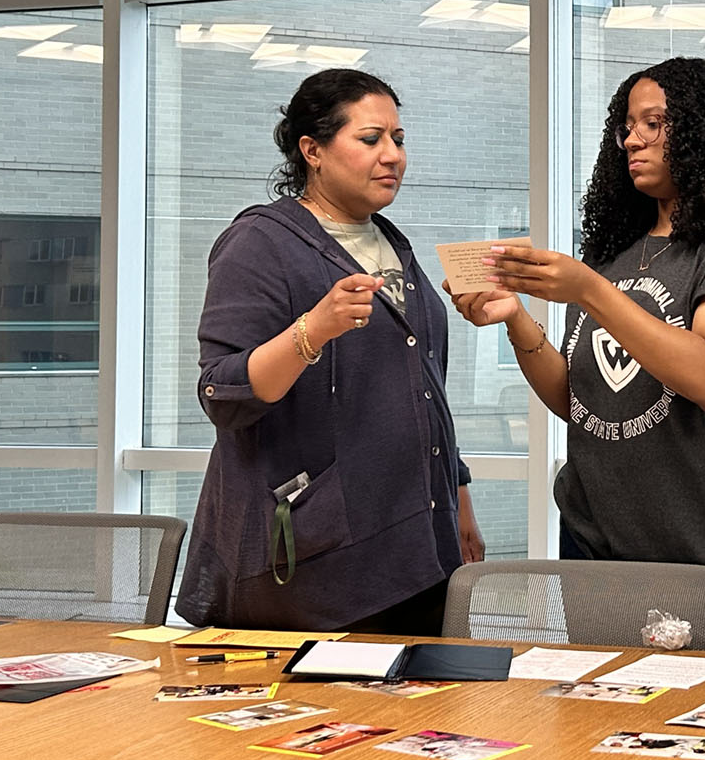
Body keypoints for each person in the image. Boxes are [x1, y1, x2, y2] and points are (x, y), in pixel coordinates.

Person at [447, 57, 705, 589]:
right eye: (627, 126)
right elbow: (579, 402)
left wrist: (588, 289)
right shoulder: (615, 246)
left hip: (701, 546)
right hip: (591, 536)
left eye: (654, 124)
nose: (632, 140)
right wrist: (516, 318)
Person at [176, 68, 483, 636]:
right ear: (312, 150)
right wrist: (310, 331)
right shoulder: (260, 243)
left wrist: (458, 500)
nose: (392, 155)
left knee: (417, 720)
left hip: (419, 543)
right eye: (371, 139)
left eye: (399, 139)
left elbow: (422, 389)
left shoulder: (391, 241)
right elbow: (222, 392)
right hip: (317, 562)